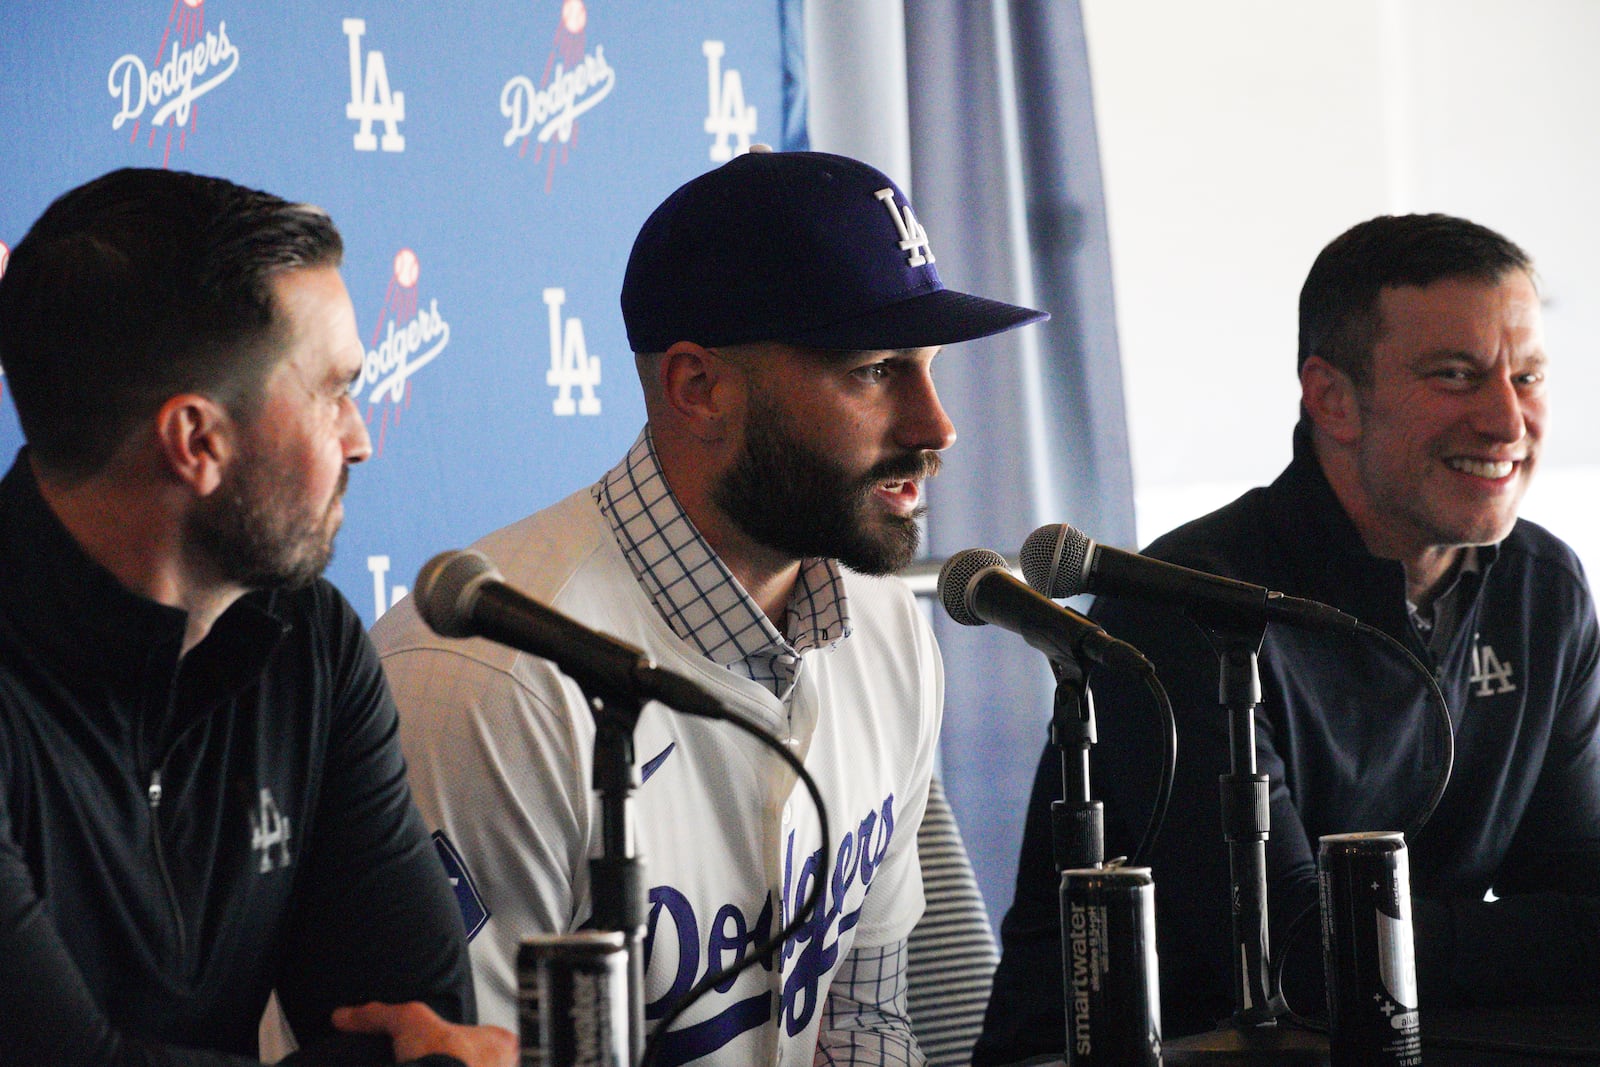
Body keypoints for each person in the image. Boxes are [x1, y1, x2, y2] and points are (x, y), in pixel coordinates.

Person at [374, 147, 1047, 1065]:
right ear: (699, 388)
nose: (936, 426)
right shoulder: (484, 685)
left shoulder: (888, 627)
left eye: (926, 367)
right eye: (875, 370)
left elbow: (866, 1020)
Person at [975, 213, 1600, 1062]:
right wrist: (1508, 940)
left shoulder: (1544, 587)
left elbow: (1582, 901)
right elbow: (1296, 958)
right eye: (1455, 376)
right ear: (1332, 399)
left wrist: (1404, 948)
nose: (1506, 420)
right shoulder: (1190, 604)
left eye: (1526, 376)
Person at [0, 168, 516, 1067]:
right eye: (332, 393)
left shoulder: (306, 639)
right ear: (197, 442)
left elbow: (421, 1023)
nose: (361, 437)